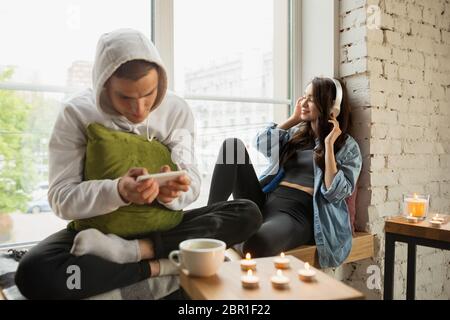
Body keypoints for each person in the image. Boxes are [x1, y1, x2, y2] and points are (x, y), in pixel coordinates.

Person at [15, 29, 262, 300]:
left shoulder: (176, 110)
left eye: (149, 94)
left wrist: (176, 192)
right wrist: (118, 191)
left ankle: (138, 255)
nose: (140, 109)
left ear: (161, 82)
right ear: (103, 85)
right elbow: (62, 199)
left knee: (247, 213)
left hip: (164, 229)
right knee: (33, 274)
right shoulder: (76, 113)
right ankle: (162, 266)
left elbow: (191, 177)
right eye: (125, 98)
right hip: (100, 234)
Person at [207, 77, 362, 268]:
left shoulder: (347, 147)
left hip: (297, 214)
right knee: (232, 147)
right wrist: (293, 119)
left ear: (332, 108)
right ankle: (208, 222)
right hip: (266, 200)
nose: (303, 103)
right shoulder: (296, 134)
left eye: (311, 99)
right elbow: (260, 143)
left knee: (256, 246)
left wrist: (329, 145)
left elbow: (335, 192)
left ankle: (224, 233)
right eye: (304, 96)